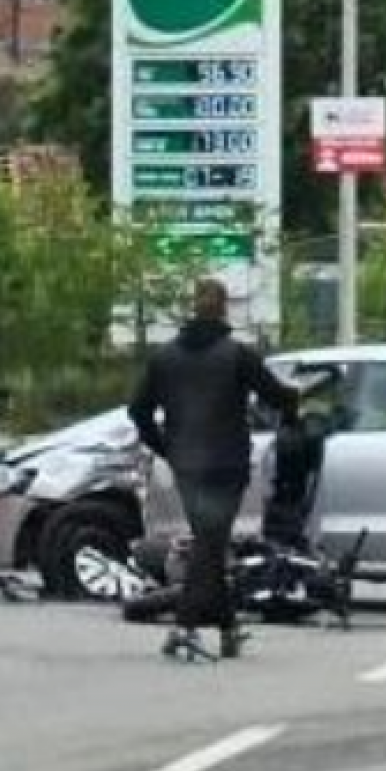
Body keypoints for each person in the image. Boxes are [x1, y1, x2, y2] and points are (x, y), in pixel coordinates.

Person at [129, 278, 296, 662]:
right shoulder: (237, 355)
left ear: (193, 306)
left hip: (187, 466)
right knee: (210, 544)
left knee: (210, 543)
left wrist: (166, 448)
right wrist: (297, 402)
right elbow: (275, 395)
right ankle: (184, 626)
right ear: (224, 309)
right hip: (227, 464)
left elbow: (137, 411)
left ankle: (227, 627)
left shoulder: (164, 358)